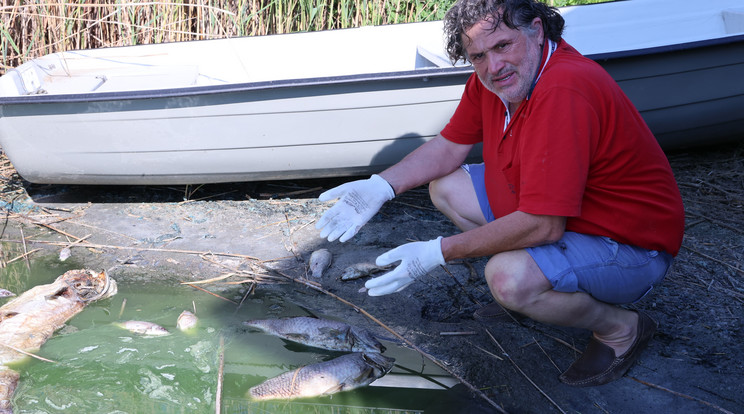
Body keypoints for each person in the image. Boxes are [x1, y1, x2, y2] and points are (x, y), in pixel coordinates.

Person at [315, 0, 684, 387]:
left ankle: (622, 329)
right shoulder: (496, 81)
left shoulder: (564, 89)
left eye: (503, 45)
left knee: (508, 279)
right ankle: (537, 290)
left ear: (537, 31)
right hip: (574, 217)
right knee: (448, 187)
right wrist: (381, 186)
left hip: (630, 246)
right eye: (478, 55)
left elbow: (543, 224)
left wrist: (436, 252)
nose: (493, 66)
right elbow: (448, 147)